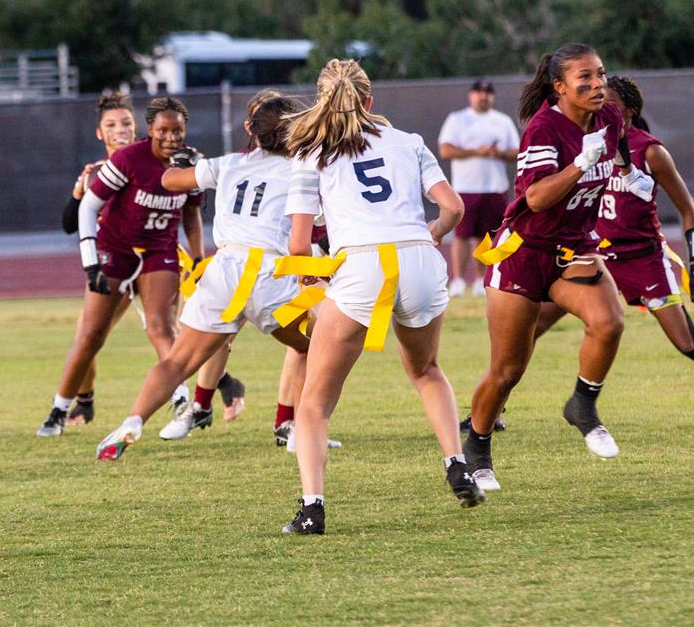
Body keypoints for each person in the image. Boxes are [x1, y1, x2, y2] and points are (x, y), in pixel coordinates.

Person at [280, 58, 484, 536]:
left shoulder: (310, 154)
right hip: (418, 259)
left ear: (321, 102)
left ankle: (312, 509)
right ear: (370, 101)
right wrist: (430, 233)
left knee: (314, 403)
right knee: (425, 369)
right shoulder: (408, 141)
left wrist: (318, 285)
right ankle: (456, 463)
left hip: (362, 266)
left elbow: (297, 246)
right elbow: (453, 208)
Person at [532, 76, 694, 425]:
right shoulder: (585, 144)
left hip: (642, 259)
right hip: (594, 256)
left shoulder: (651, 151)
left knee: (690, 345)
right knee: (529, 326)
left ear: (629, 111)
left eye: (609, 104)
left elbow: (688, 210)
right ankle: (490, 412)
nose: (599, 109)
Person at [462, 43, 655, 492]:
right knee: (508, 370)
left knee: (609, 322)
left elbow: (618, 143)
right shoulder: (544, 128)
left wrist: (627, 173)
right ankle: (477, 444)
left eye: (600, 74)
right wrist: (580, 165)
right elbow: (536, 198)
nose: (596, 84)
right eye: (584, 78)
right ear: (559, 86)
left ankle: (582, 406)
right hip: (525, 251)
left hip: (573, 246)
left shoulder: (607, 116)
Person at [94, 96, 310, 461]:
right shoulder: (303, 170)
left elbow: (171, 180)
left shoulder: (230, 163)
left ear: (253, 132)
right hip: (268, 273)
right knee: (313, 346)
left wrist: (184, 163)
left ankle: (132, 420)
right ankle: (300, 431)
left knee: (176, 363)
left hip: (224, 269)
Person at [37, 97, 204, 437]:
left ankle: (181, 402)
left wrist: (199, 260)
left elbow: (192, 214)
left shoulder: (193, 161)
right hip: (116, 249)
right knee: (91, 334)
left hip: (159, 250)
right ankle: (60, 408)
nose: (171, 137)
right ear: (150, 130)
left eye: (178, 130)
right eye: (163, 130)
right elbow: (83, 211)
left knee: (162, 327)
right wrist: (90, 263)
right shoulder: (125, 160)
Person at [38, 93, 137, 434]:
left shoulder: (151, 164)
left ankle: (195, 399)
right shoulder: (96, 172)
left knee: (165, 330)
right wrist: (79, 192)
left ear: (137, 127)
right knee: (89, 337)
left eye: (126, 123)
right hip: (109, 263)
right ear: (99, 133)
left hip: (151, 260)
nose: (119, 129)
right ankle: (84, 400)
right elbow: (69, 223)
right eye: (111, 124)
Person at [438, 80, 519, 297]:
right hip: (466, 187)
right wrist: (476, 151)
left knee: (488, 236)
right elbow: (445, 150)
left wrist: (498, 153)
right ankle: (457, 279)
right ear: (471, 95)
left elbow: (516, 151)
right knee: (462, 236)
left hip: (494, 187)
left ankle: (480, 278)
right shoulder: (458, 119)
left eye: (487, 93)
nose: (483, 97)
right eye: (479, 93)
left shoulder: (501, 121)